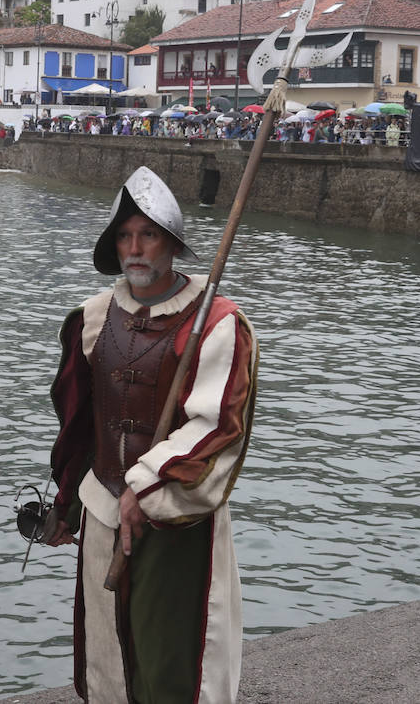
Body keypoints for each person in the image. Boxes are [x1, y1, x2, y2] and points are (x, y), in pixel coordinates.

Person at [43, 166, 258, 703]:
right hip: (103, 509)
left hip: (176, 520)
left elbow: (218, 428)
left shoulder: (217, 323)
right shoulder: (93, 318)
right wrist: (69, 501)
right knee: (108, 655)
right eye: (124, 236)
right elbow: (79, 421)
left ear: (171, 244)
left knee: (172, 661)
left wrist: (148, 487)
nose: (135, 248)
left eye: (148, 234)